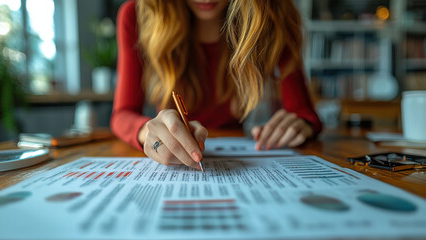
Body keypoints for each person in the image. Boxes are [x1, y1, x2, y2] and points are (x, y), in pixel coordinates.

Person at [111, 0, 322, 170]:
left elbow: (305, 113)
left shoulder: (274, 11)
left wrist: (301, 124)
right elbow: (123, 113)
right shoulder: (137, 14)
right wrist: (148, 134)